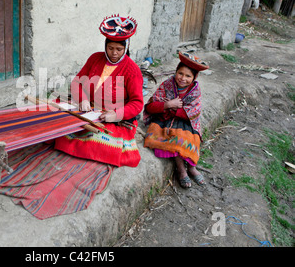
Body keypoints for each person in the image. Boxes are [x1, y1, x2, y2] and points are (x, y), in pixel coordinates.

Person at [54, 15, 144, 167]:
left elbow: (137, 103)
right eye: (110, 48)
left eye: (119, 49)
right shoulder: (95, 58)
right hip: (87, 109)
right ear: (105, 46)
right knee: (56, 122)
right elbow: (77, 81)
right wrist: (82, 99)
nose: (114, 53)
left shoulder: (132, 70)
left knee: (97, 140)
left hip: (110, 117)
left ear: (126, 47)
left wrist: (116, 114)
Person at [143, 52, 209, 188]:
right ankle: (182, 170)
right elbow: (150, 107)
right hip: (164, 120)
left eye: (188, 76)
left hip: (186, 122)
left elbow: (193, 113)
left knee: (192, 139)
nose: (183, 78)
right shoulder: (167, 85)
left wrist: (175, 109)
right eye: (180, 73)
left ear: (194, 77)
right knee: (175, 138)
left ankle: (192, 167)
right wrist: (167, 105)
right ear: (176, 72)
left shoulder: (195, 91)